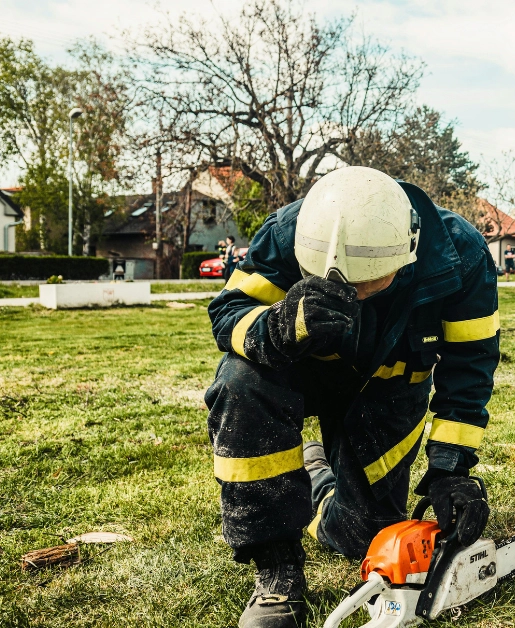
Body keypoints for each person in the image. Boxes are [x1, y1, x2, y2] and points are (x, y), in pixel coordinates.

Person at [206, 166, 499, 628]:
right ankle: (277, 570)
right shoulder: (290, 231)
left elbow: (470, 366)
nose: (348, 292)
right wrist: (279, 326)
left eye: (365, 283)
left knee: (361, 536)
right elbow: (228, 313)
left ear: (408, 253)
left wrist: (450, 468)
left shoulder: (458, 254)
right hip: (299, 372)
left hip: (389, 391)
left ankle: (318, 475)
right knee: (241, 380)